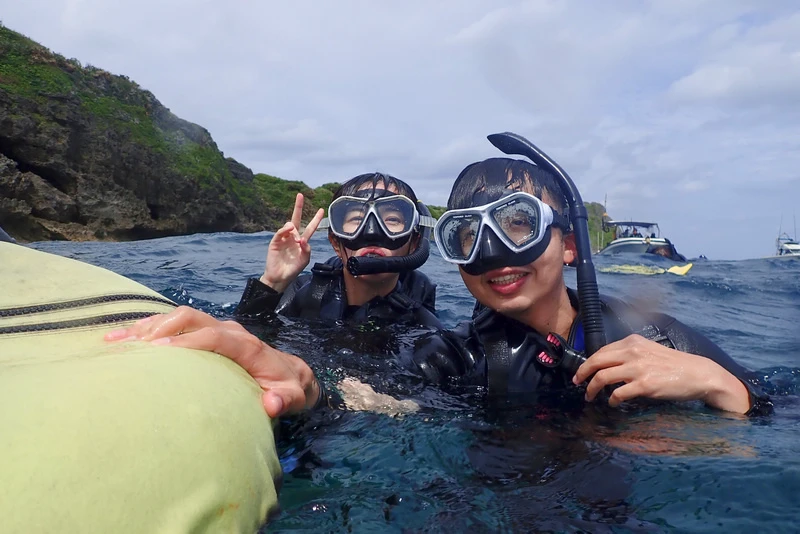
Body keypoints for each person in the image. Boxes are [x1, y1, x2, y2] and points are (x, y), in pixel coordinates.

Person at [107, 134, 772, 417]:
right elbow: (378, 400)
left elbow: (772, 413)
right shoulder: (451, 350)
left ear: (568, 244)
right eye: (467, 234)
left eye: (515, 225)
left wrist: (725, 390)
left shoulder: (652, 332)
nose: (492, 254)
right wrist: (304, 381)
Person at [234, 172, 440, 328]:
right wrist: (272, 283)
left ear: (414, 243)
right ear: (335, 242)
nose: (372, 232)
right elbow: (245, 340)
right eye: (357, 219)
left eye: (392, 219)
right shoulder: (305, 297)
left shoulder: (422, 326)